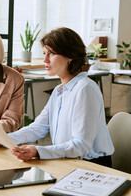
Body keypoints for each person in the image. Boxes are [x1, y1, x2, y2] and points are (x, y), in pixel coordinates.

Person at [7, 27, 114, 167]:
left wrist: (39, 151)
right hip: (68, 160)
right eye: (44, 53)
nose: (45, 60)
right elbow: (39, 127)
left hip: (92, 166)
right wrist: (4, 139)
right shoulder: (59, 90)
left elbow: (81, 145)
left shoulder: (85, 89)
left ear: (70, 56)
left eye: (51, 54)